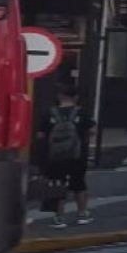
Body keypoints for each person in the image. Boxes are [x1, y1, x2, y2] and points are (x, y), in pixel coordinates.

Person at [36, 86, 96, 228]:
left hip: (55, 156)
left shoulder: (49, 113)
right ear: (76, 98)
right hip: (77, 155)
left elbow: (40, 135)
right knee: (79, 184)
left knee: (58, 184)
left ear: (59, 97)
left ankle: (59, 218)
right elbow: (92, 131)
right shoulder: (82, 112)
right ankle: (82, 215)